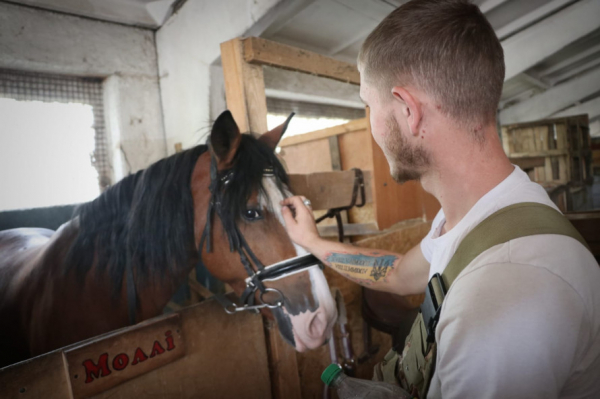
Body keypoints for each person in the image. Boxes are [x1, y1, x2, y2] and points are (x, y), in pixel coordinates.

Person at [280, 0, 600, 398]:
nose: (371, 127)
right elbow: (397, 274)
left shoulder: (502, 295)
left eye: (368, 106)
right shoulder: (487, 213)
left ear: (407, 110)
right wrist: (311, 242)